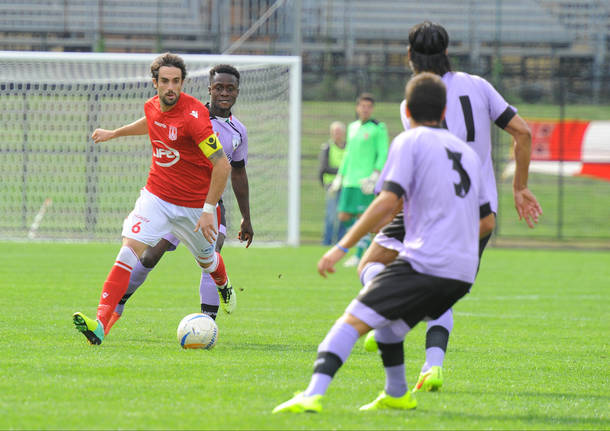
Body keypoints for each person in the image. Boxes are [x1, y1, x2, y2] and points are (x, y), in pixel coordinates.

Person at [273, 72, 494, 413]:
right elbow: (487, 221)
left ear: (407, 111)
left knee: (350, 322)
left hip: (426, 262)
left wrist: (341, 246)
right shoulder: (467, 153)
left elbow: (388, 202)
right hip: (464, 272)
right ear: (445, 109)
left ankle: (312, 394)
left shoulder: (409, 141)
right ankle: (397, 393)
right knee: (390, 329)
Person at [359, 21, 543, 392]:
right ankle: (432, 365)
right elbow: (522, 132)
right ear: (448, 52)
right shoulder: (479, 86)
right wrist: (520, 187)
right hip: (480, 213)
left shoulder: (412, 101)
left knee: (371, 264)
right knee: (442, 285)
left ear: (409, 56)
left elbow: (422, 160)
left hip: (432, 208)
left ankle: (389, 319)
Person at [72, 53, 233, 345]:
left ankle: (224, 285)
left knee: (209, 262)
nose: (170, 87)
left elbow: (223, 165)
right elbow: (151, 120)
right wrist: (114, 133)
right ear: (155, 82)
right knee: (127, 252)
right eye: (165, 81)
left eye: (176, 81)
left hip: (194, 206)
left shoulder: (194, 117)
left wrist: (209, 209)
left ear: (182, 82)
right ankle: (100, 324)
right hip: (156, 197)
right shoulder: (151, 106)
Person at [330, 93, 388, 267]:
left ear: (372, 109)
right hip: (349, 181)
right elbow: (348, 154)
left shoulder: (378, 128)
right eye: (362, 106)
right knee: (344, 216)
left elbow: (383, 153)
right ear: (357, 108)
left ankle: (360, 255)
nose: (365, 109)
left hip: (365, 183)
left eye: (368, 106)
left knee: (365, 218)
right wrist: (340, 176)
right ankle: (364, 246)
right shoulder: (352, 127)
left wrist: (375, 175)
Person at [319, 121, 347, 245]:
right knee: (331, 215)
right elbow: (324, 167)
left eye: (339, 131)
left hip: (345, 185)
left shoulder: (349, 148)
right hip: (332, 186)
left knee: (343, 215)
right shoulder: (327, 147)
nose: (337, 134)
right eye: (335, 132)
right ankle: (327, 242)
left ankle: (341, 242)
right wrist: (341, 171)